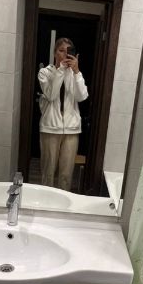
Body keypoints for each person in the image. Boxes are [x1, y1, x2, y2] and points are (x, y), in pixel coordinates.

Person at [38, 37, 88, 190]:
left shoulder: (75, 74)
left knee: (66, 175)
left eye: (68, 51)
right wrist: (60, 70)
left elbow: (82, 96)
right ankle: (45, 202)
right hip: (50, 128)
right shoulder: (44, 73)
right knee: (48, 172)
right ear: (54, 53)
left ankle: (63, 203)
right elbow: (51, 95)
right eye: (61, 51)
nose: (65, 54)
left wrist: (77, 72)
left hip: (71, 129)